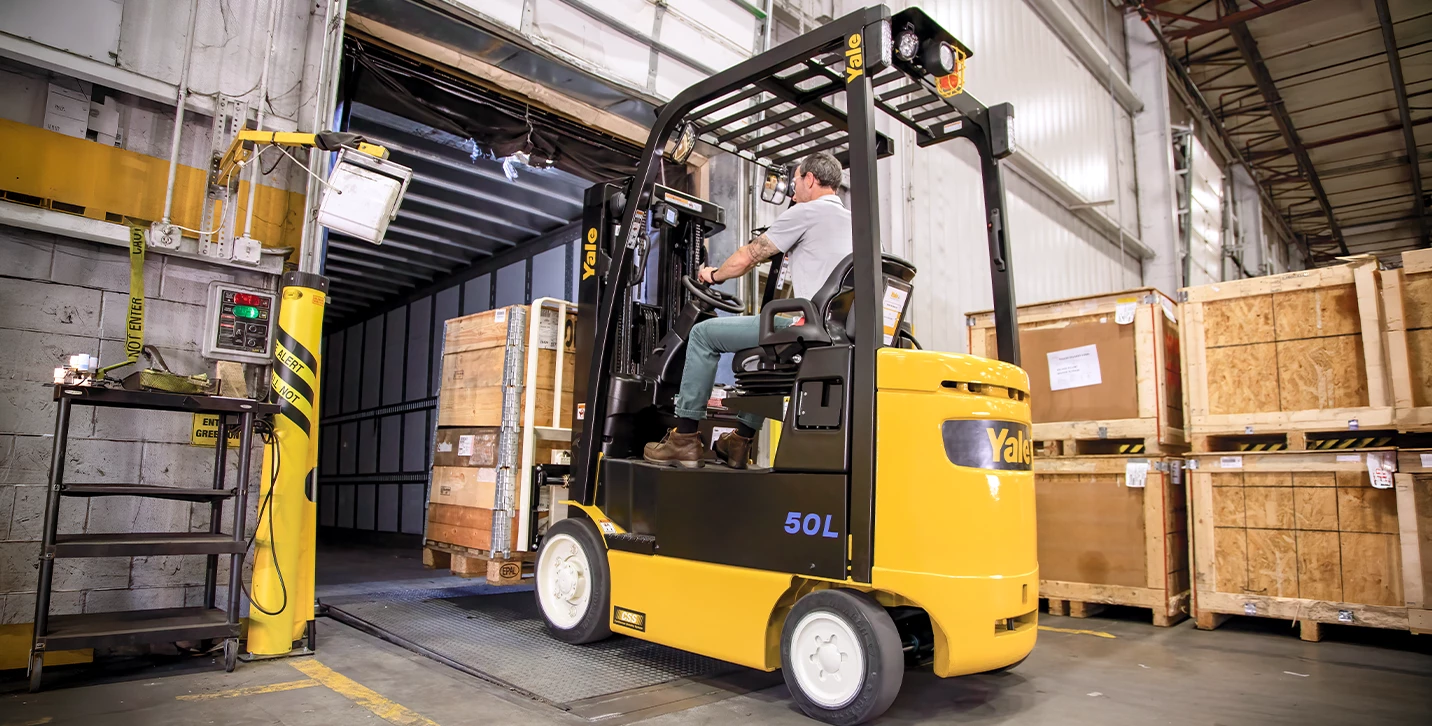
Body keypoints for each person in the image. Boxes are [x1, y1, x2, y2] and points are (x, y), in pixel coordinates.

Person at [643, 151, 851, 469]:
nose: (792, 190)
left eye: (795, 181)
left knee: (701, 334)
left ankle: (684, 438)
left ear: (810, 179)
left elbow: (747, 257)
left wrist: (712, 275)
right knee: (765, 352)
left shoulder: (807, 212)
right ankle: (739, 442)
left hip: (806, 323)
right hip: (839, 332)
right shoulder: (859, 225)